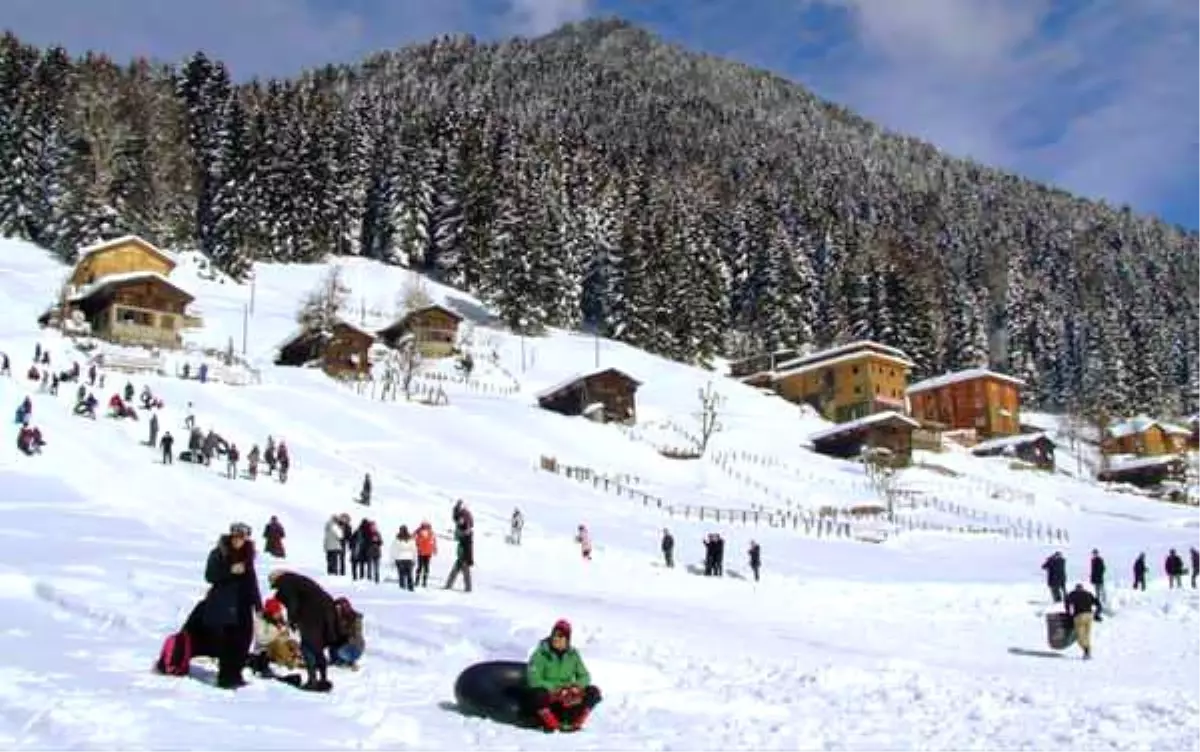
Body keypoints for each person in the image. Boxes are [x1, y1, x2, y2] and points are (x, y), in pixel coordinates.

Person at [202, 522, 262, 689]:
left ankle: (236, 674)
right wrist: (229, 570)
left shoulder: (247, 555)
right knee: (229, 642)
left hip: (243, 604)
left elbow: (252, 581)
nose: (238, 541)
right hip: (225, 603)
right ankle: (226, 677)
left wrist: (258, 605)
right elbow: (210, 575)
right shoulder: (219, 553)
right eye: (236, 537)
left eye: (242, 538)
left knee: (244, 640)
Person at [267, 569, 339, 691]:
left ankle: (312, 680)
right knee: (318, 647)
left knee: (307, 646)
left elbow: (292, 600)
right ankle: (323, 678)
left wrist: (292, 619)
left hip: (311, 614)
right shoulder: (299, 580)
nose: (276, 588)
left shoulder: (285, 581)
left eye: (274, 585)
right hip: (327, 609)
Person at [526, 619, 602, 732]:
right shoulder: (540, 654)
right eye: (554, 635)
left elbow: (585, 676)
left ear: (567, 639)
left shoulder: (573, 655)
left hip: (567, 695)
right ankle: (553, 724)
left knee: (593, 691)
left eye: (561, 636)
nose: (556, 639)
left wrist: (576, 686)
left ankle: (577, 723)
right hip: (550, 694)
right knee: (538, 694)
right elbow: (534, 679)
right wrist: (556, 689)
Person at [1064, 583, 1100, 660]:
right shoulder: (1088, 594)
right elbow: (1097, 603)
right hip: (1089, 616)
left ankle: (1086, 650)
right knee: (1087, 635)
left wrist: (1069, 615)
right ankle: (1088, 653)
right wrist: (1097, 613)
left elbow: (1067, 603)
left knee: (1079, 636)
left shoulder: (1073, 594)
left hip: (1079, 616)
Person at [329, 597, 365, 670]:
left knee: (341, 651)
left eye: (339, 608)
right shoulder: (338, 618)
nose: (338, 611)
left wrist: (346, 637)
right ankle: (338, 661)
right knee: (333, 645)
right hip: (345, 642)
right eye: (336, 609)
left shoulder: (355, 618)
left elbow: (356, 635)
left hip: (355, 646)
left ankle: (350, 662)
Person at [390, 526, 416, 591]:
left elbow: (393, 550)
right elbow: (414, 549)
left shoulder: (397, 539)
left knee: (401, 575)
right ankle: (411, 588)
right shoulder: (411, 539)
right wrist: (414, 559)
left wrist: (393, 559)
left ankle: (402, 589)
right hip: (409, 558)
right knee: (409, 575)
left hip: (400, 559)